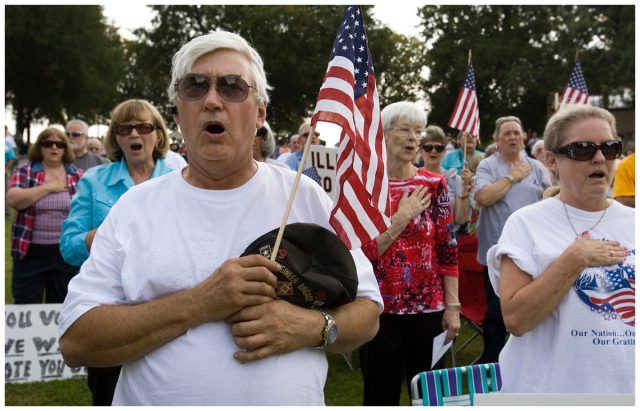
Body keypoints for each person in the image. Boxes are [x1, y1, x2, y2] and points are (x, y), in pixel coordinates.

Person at [58, 30, 382, 406]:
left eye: (232, 87)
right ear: (178, 112)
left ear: (260, 112)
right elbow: (76, 341)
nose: (212, 100)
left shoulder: (306, 198)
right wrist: (199, 303)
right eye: (194, 87)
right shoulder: (135, 208)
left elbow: (367, 311)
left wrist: (311, 327)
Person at [487, 105, 633, 393]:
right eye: (583, 149)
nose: (600, 158)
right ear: (552, 162)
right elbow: (516, 320)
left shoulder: (633, 222)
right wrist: (574, 259)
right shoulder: (526, 223)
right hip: (549, 390)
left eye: (610, 148)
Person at [59, 99, 176, 405]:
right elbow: (69, 247)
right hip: (112, 319)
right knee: (107, 395)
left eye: (144, 127)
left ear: (159, 135)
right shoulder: (94, 181)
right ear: (116, 138)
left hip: (174, 312)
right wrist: (108, 234)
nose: (135, 134)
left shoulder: (183, 175)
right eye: (125, 128)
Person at [359, 101, 459, 406]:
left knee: (431, 397)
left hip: (429, 311)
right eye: (404, 129)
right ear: (384, 134)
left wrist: (452, 307)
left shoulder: (434, 184)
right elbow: (364, 253)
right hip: (378, 309)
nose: (414, 138)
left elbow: (448, 249)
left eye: (418, 131)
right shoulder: (366, 186)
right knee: (380, 393)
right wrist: (401, 218)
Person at [474, 115, 551, 363]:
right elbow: (484, 197)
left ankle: (528, 361)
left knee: (536, 307)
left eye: (516, 133)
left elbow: (550, 198)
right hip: (498, 252)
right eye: (506, 133)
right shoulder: (488, 166)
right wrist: (511, 177)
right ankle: (492, 363)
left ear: (524, 138)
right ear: (497, 140)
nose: (512, 137)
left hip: (535, 251)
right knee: (497, 313)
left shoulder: (537, 167)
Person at [7, 128, 82, 304]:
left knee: (62, 306)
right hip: (29, 252)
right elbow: (13, 199)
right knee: (25, 305)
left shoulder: (77, 175)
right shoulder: (25, 171)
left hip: (65, 253)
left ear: (66, 148)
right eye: (48, 143)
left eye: (60, 144)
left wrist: (33, 194)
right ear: (40, 147)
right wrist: (48, 187)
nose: (54, 148)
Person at [420, 125, 472, 227]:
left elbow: (460, 220)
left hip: (446, 239)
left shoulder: (454, 179)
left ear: (444, 152)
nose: (433, 151)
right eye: (428, 147)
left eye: (439, 148)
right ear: (421, 151)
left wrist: (465, 187)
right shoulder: (411, 177)